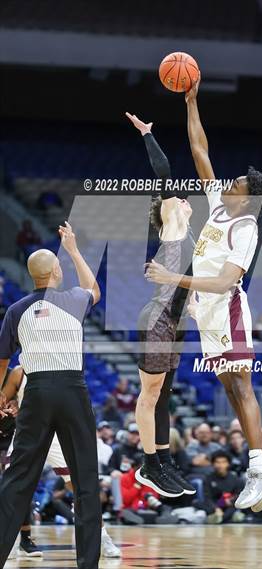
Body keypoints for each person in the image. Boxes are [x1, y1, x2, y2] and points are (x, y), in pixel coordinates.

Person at [146, 76, 262, 513]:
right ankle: (257, 461)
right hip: (206, 313)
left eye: (238, 185)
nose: (228, 184)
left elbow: (226, 282)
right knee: (228, 386)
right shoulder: (220, 204)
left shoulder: (244, 227)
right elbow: (200, 150)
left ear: (248, 201)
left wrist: (178, 282)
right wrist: (191, 102)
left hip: (226, 309)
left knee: (241, 385)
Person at [0, 223, 102, 568]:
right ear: (56, 271)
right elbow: (94, 289)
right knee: (85, 478)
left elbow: (2, 361)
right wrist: (72, 249)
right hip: (72, 390)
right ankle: (88, 563)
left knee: (18, 479)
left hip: (37, 392)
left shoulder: (15, 311)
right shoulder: (74, 299)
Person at [126, 112, 196, 498]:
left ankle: (164, 462)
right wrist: (149, 136)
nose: (184, 200)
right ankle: (148, 464)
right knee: (150, 395)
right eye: (178, 200)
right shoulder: (172, 223)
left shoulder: (190, 239)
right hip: (156, 319)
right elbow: (165, 173)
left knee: (164, 396)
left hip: (176, 323)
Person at [2, 365, 120, 560]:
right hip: (27, 433)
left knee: (80, 487)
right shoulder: (19, 372)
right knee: (12, 489)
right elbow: (4, 400)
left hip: (58, 434)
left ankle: (103, 537)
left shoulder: (66, 367)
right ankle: (16, 541)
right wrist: (12, 404)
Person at [201, 450, 244, 524]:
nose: (220, 465)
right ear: (213, 464)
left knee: (236, 508)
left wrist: (230, 501)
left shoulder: (235, 479)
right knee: (198, 504)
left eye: (223, 462)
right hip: (214, 505)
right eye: (217, 462)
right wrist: (216, 508)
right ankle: (221, 518)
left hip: (230, 506)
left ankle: (221, 518)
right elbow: (207, 498)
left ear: (228, 463)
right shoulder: (208, 479)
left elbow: (239, 495)